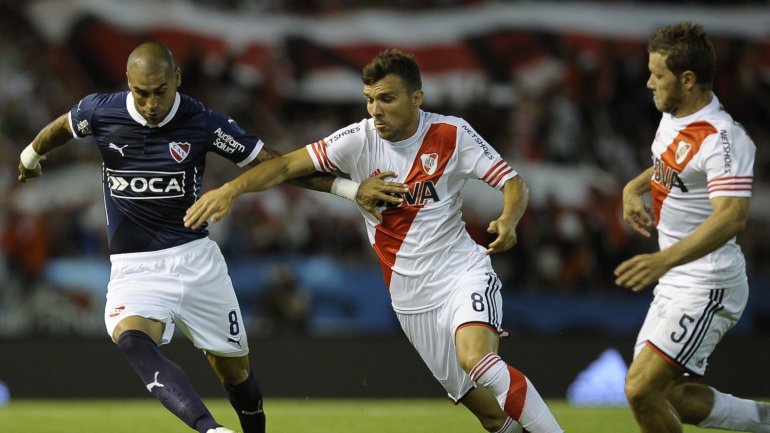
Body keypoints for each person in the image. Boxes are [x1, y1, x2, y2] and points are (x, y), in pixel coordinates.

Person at [17, 41, 404, 433]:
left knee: (236, 375)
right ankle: (211, 429)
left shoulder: (202, 122)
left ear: (177, 79)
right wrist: (30, 156)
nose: (151, 104)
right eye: (141, 93)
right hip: (134, 269)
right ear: (128, 83)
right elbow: (63, 127)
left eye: (160, 91)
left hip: (196, 264)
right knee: (131, 339)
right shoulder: (101, 110)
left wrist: (350, 190)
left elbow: (275, 164)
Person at [185, 49, 563, 433]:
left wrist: (508, 219)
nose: (375, 110)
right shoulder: (358, 139)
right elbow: (283, 165)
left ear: (416, 98)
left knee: (476, 360)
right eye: (369, 99)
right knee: (492, 417)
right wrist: (231, 189)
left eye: (387, 98)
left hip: (461, 273)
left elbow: (512, 182)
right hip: (411, 301)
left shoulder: (452, 134)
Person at [614, 22, 769, 433]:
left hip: (708, 282)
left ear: (686, 79)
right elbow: (672, 164)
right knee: (669, 396)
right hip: (675, 281)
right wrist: (634, 187)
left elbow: (731, 216)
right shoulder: (675, 116)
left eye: (657, 75)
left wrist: (662, 260)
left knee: (641, 390)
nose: (649, 83)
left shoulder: (724, 139)